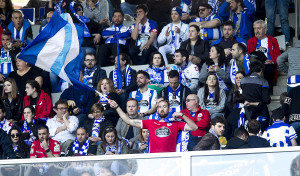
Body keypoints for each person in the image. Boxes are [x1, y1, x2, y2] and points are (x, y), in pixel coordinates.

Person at [109, 99, 198, 153]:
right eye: (159, 107)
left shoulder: (176, 123)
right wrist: (117, 107)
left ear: (169, 109)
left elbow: (194, 127)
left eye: (164, 107)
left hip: (171, 158)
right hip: (154, 158)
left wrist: (182, 115)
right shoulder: (151, 122)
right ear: (157, 110)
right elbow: (128, 120)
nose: (161, 109)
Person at [247, 19, 281, 92]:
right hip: (255, 65)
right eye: (255, 28)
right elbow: (248, 55)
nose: (256, 31)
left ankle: (266, 90)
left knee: (269, 69)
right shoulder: (250, 41)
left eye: (259, 28)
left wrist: (272, 61)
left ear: (265, 29)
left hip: (268, 66)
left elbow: (278, 55)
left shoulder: (273, 40)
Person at [240, 61, 271, 132]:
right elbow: (266, 100)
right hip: (261, 112)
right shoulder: (264, 82)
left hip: (247, 112)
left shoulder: (243, 80)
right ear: (261, 70)